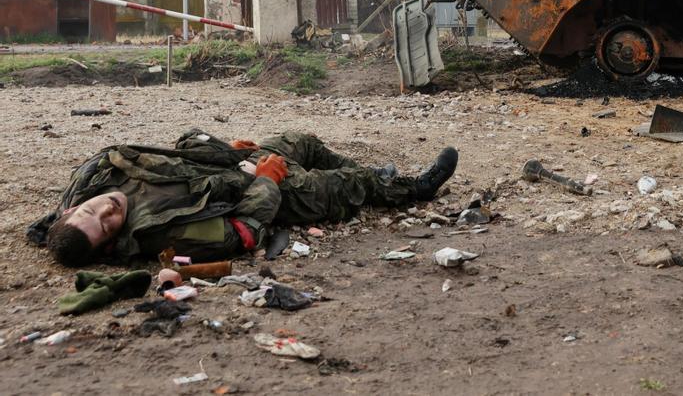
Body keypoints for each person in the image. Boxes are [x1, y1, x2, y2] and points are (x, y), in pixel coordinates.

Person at [26, 129, 457, 267]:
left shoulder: (93, 180)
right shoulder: (160, 232)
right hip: (261, 193)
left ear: (70, 208)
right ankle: (413, 188)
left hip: (231, 165)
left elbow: (173, 160)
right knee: (334, 189)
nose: (105, 210)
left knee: (300, 141)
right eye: (103, 226)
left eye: (89, 211)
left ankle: (368, 176)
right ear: (110, 244)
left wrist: (217, 150)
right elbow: (245, 232)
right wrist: (267, 181)